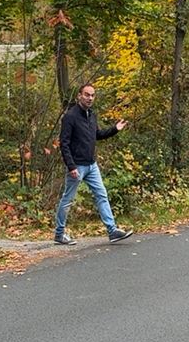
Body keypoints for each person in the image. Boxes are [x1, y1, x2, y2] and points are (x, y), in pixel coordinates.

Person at [53, 84, 133, 245]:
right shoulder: (70, 117)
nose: (90, 98)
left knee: (102, 195)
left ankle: (112, 231)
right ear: (79, 96)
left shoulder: (91, 115)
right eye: (87, 94)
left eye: (92, 95)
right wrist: (71, 166)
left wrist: (115, 129)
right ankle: (59, 234)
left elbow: (97, 135)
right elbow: (64, 143)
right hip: (77, 166)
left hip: (91, 165)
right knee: (67, 199)